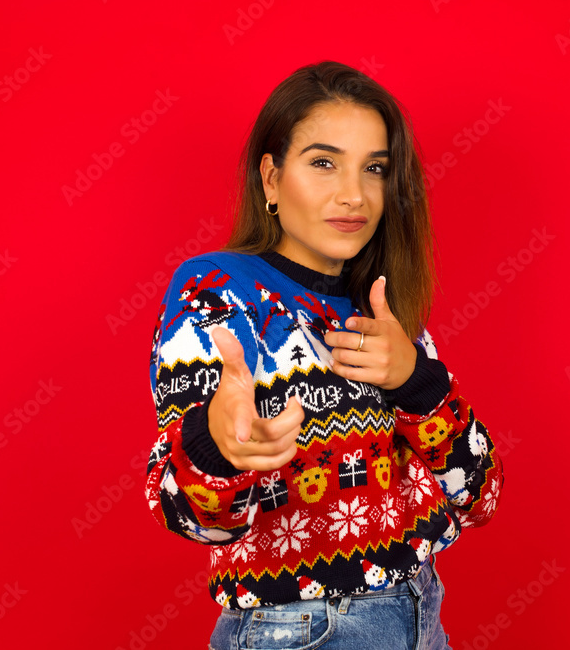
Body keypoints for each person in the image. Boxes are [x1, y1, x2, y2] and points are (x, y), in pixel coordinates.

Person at [145, 60, 504, 650]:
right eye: (323, 162)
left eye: (375, 169)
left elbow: (480, 495)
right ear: (270, 178)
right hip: (303, 628)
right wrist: (216, 440)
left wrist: (418, 381)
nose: (353, 194)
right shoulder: (216, 291)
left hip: (421, 617)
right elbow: (192, 516)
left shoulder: (384, 314)